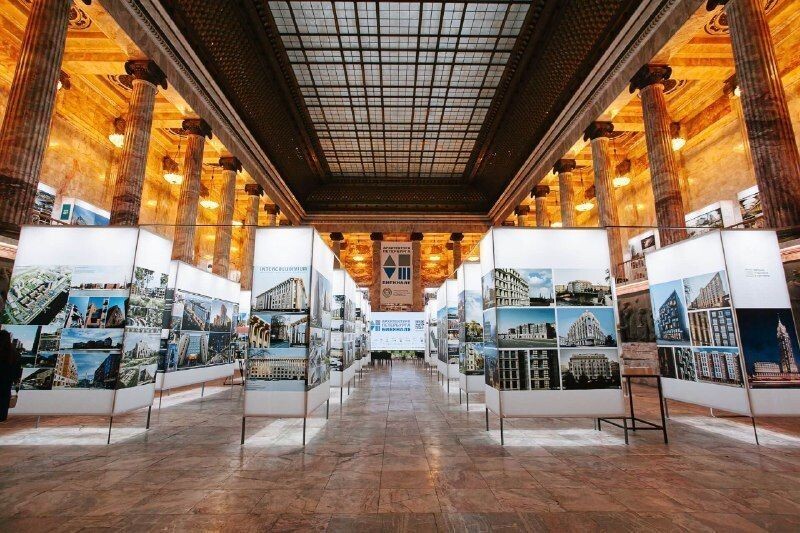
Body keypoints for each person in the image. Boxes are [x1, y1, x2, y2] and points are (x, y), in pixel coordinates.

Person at [0, 329, 23, 422]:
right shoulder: (14, 352)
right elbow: (18, 368)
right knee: (4, 398)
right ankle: (2, 417)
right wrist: (15, 378)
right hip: (7, 381)